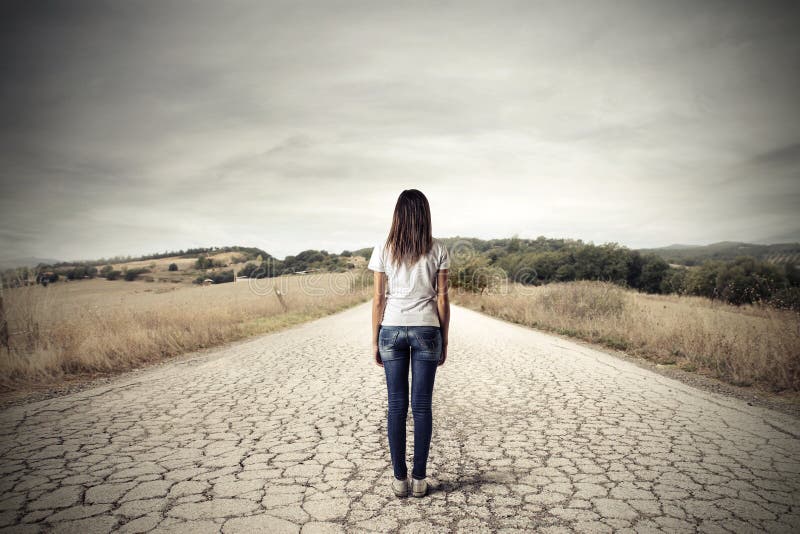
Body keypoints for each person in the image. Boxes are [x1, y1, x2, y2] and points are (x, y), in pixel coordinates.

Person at [368, 189, 450, 498]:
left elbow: (378, 299)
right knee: (422, 407)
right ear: (425, 215)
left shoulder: (383, 249)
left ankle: (399, 480)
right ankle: (419, 480)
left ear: (397, 215)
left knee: (397, 406)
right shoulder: (438, 249)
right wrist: (444, 337)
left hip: (391, 328)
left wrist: (375, 338)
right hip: (427, 329)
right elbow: (442, 298)